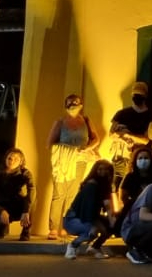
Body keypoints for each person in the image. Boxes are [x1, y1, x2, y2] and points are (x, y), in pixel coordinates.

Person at [47, 93, 100, 240]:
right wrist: (67, 151)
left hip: (80, 161)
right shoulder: (60, 122)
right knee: (59, 194)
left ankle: (66, 226)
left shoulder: (86, 120)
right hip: (63, 162)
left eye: (76, 102)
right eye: (69, 103)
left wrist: (87, 148)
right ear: (65, 105)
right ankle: (53, 227)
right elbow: (49, 144)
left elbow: (96, 138)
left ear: (81, 105)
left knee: (73, 193)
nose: (72, 105)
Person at [63, 159, 116, 259]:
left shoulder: (105, 186)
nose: (103, 172)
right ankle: (72, 246)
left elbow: (107, 205)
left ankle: (95, 248)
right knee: (91, 231)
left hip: (91, 217)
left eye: (106, 169)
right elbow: (87, 209)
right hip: (74, 218)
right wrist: (92, 226)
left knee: (109, 227)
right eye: (100, 169)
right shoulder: (91, 185)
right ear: (95, 170)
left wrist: (112, 221)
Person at [108, 82, 152, 191]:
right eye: (135, 95)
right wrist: (124, 139)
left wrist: (127, 135)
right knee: (116, 186)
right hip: (121, 157)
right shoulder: (122, 113)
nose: (136, 98)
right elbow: (111, 134)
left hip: (139, 157)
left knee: (135, 188)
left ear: (145, 96)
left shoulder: (150, 115)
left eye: (139, 95)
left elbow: (145, 139)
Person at [0, 148, 34, 240]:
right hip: (3, 205)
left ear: (21, 162)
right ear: (5, 159)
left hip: (17, 205)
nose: (12, 161)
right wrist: (1, 210)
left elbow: (32, 189)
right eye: (10, 158)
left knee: (30, 201)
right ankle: (0, 228)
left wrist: (26, 211)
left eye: (16, 159)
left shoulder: (25, 173)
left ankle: (25, 231)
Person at [117, 145, 152, 237]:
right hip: (133, 208)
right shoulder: (130, 177)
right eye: (140, 158)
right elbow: (123, 195)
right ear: (135, 160)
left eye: (146, 158)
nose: (143, 160)